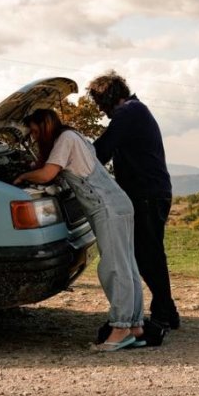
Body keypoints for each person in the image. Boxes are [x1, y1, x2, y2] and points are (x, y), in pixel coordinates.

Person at [14, 108, 144, 351]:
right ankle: (135, 326)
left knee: (114, 267)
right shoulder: (76, 136)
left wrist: (23, 176)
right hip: (119, 203)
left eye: (33, 131)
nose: (33, 137)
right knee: (127, 265)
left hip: (106, 207)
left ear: (43, 125)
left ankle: (120, 329)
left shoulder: (64, 140)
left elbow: (47, 174)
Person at [87, 72, 180, 330]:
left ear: (109, 97)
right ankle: (167, 311)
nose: (99, 109)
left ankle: (163, 313)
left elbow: (101, 151)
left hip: (147, 194)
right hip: (153, 191)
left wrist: (71, 155)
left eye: (99, 102)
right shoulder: (136, 111)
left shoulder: (128, 114)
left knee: (147, 254)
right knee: (149, 253)